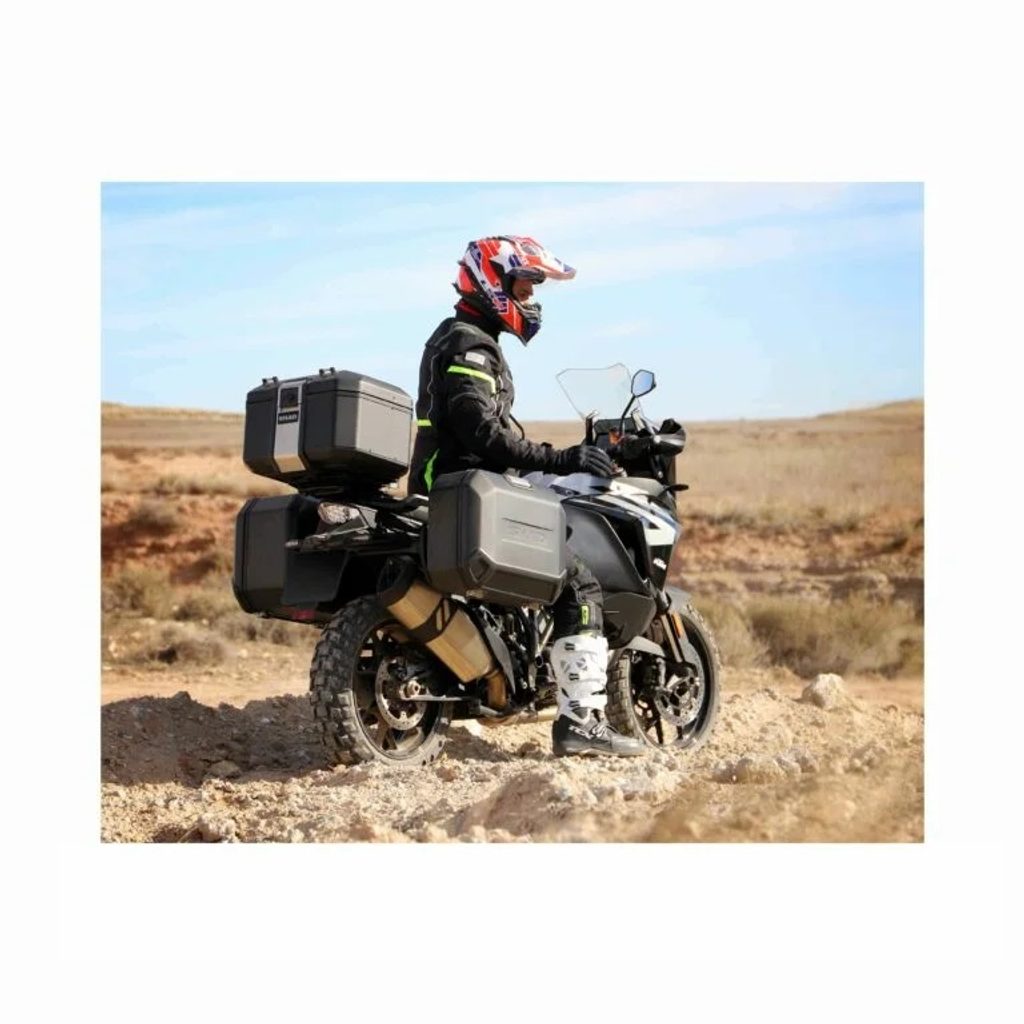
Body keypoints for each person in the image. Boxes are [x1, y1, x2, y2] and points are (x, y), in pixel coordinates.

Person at [409, 235, 645, 758]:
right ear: (492, 281)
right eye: (523, 285)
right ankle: (581, 721)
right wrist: (562, 460)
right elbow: (480, 433)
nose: (531, 298)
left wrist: (546, 462)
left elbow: (484, 433)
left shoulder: (462, 337)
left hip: (459, 490)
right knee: (577, 583)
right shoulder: (470, 343)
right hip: (460, 496)